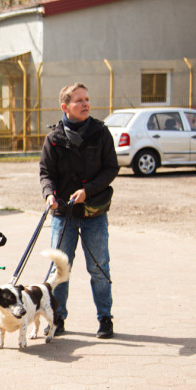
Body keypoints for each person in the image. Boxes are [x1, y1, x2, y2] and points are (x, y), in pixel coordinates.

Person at [39, 82, 119, 339]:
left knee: (99, 267)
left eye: (87, 99)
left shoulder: (100, 132)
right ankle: (57, 318)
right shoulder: (53, 139)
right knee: (59, 269)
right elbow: (45, 174)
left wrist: (88, 191)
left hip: (94, 212)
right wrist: (49, 194)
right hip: (63, 215)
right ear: (65, 107)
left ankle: (105, 318)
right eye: (79, 100)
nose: (85, 104)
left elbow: (111, 169)